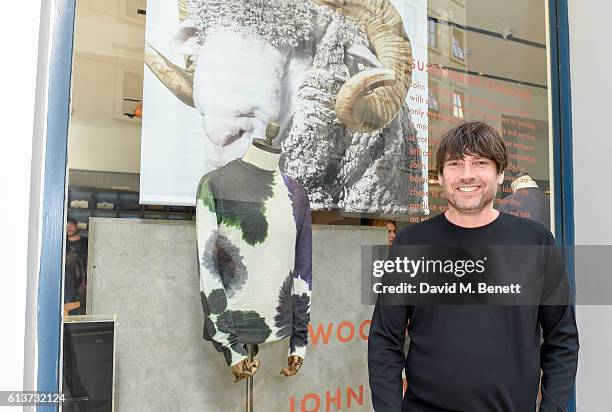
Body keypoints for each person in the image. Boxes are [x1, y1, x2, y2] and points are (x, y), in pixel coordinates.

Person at [368, 121, 579, 411]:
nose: (467, 175)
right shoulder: (411, 244)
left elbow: (562, 340)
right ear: (440, 176)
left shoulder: (535, 241)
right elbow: (384, 342)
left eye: (480, 163)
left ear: (500, 173)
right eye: (454, 164)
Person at [65, 217, 88, 313]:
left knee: (81, 304)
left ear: (76, 226)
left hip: (82, 278)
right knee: (68, 304)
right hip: (67, 279)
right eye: (66, 226)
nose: (69, 228)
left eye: (71, 225)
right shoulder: (62, 242)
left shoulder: (85, 241)